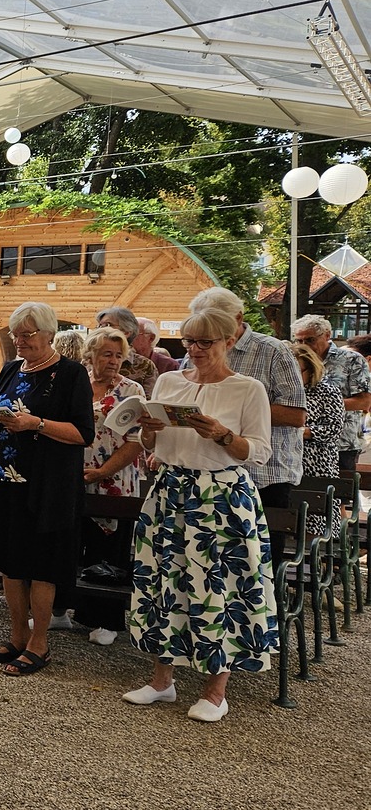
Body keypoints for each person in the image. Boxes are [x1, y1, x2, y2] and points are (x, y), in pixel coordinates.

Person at [123, 307, 277, 723]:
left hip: (221, 496)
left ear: (229, 341)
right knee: (164, 581)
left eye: (205, 342)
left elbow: (260, 452)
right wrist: (149, 432)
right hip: (171, 491)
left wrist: (223, 435)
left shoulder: (247, 388)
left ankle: (215, 691)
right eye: (189, 341)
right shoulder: (170, 381)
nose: (195, 349)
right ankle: (162, 682)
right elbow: (154, 445)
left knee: (219, 587)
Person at [0, 302, 92, 677]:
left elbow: (82, 433)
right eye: (16, 334)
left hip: (47, 487)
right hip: (4, 481)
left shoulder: (71, 374)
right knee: (10, 564)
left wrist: (36, 423)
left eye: (27, 334)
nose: (19, 341)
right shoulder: (11, 369)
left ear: (49, 334)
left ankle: (39, 643)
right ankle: (17, 637)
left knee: (42, 566)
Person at [187, 287, 304, 508]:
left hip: (265, 475)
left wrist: (237, 410)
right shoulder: (194, 353)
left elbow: (296, 415)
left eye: (215, 321)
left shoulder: (273, 350)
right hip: (204, 473)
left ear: (238, 318)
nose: (206, 329)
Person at [71, 327, 145, 646]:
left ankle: (108, 620)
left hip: (115, 480)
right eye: (106, 354)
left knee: (109, 551)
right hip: (75, 478)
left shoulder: (131, 391)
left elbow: (137, 441)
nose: (113, 361)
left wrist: (102, 471)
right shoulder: (77, 385)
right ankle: (65, 609)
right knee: (72, 544)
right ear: (90, 356)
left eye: (118, 355)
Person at [290, 314, 371, 474]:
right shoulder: (292, 360)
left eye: (310, 340)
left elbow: (364, 401)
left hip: (342, 443)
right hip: (298, 443)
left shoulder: (351, 360)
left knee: (340, 488)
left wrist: (323, 405)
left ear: (327, 335)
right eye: (299, 341)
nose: (304, 345)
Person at [293, 342, 341, 537]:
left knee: (315, 524)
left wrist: (302, 432)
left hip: (317, 464)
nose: (292, 376)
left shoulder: (327, 391)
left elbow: (334, 428)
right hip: (288, 463)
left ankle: (316, 554)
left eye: (298, 371)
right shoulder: (282, 391)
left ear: (311, 369)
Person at [96, 306, 159, 396]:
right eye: (99, 326)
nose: (100, 330)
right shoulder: (89, 361)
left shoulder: (145, 366)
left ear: (126, 332)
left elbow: (148, 402)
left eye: (107, 325)